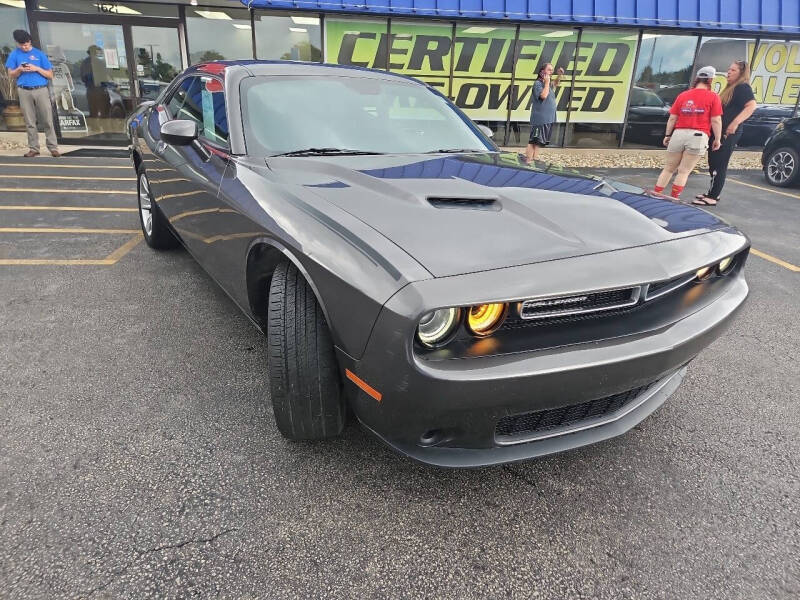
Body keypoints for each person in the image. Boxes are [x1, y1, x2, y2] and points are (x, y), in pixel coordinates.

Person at [653, 66, 722, 199]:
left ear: (697, 78)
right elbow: (716, 120)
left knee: (668, 169)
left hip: (678, 133)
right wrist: (717, 139)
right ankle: (673, 198)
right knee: (684, 172)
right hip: (698, 136)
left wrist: (668, 135)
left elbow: (673, 117)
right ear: (711, 80)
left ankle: (656, 194)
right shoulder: (713, 97)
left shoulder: (683, 95)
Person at [694, 61, 757, 207]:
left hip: (728, 133)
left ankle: (713, 196)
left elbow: (752, 106)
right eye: (729, 69)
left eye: (733, 70)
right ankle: (712, 192)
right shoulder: (731, 89)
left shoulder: (743, 87)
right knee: (713, 163)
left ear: (741, 73)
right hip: (718, 132)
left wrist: (734, 124)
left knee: (719, 164)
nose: (728, 72)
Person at [5, 29, 59, 158]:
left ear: (30, 42)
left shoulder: (39, 54)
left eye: (27, 44)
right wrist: (19, 69)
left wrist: (37, 68)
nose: (25, 47)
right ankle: (34, 148)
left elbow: (50, 75)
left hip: (40, 89)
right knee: (30, 121)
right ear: (17, 43)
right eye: (22, 45)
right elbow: (10, 74)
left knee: (47, 119)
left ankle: (53, 147)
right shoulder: (14, 54)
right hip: (24, 90)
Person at [525, 63, 564, 163]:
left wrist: (559, 76)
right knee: (533, 141)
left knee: (538, 142)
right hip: (540, 119)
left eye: (552, 70)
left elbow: (555, 84)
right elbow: (543, 96)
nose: (551, 72)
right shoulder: (538, 84)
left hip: (548, 118)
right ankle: (528, 162)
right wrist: (547, 83)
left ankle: (534, 160)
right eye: (549, 70)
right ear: (542, 72)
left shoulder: (547, 83)